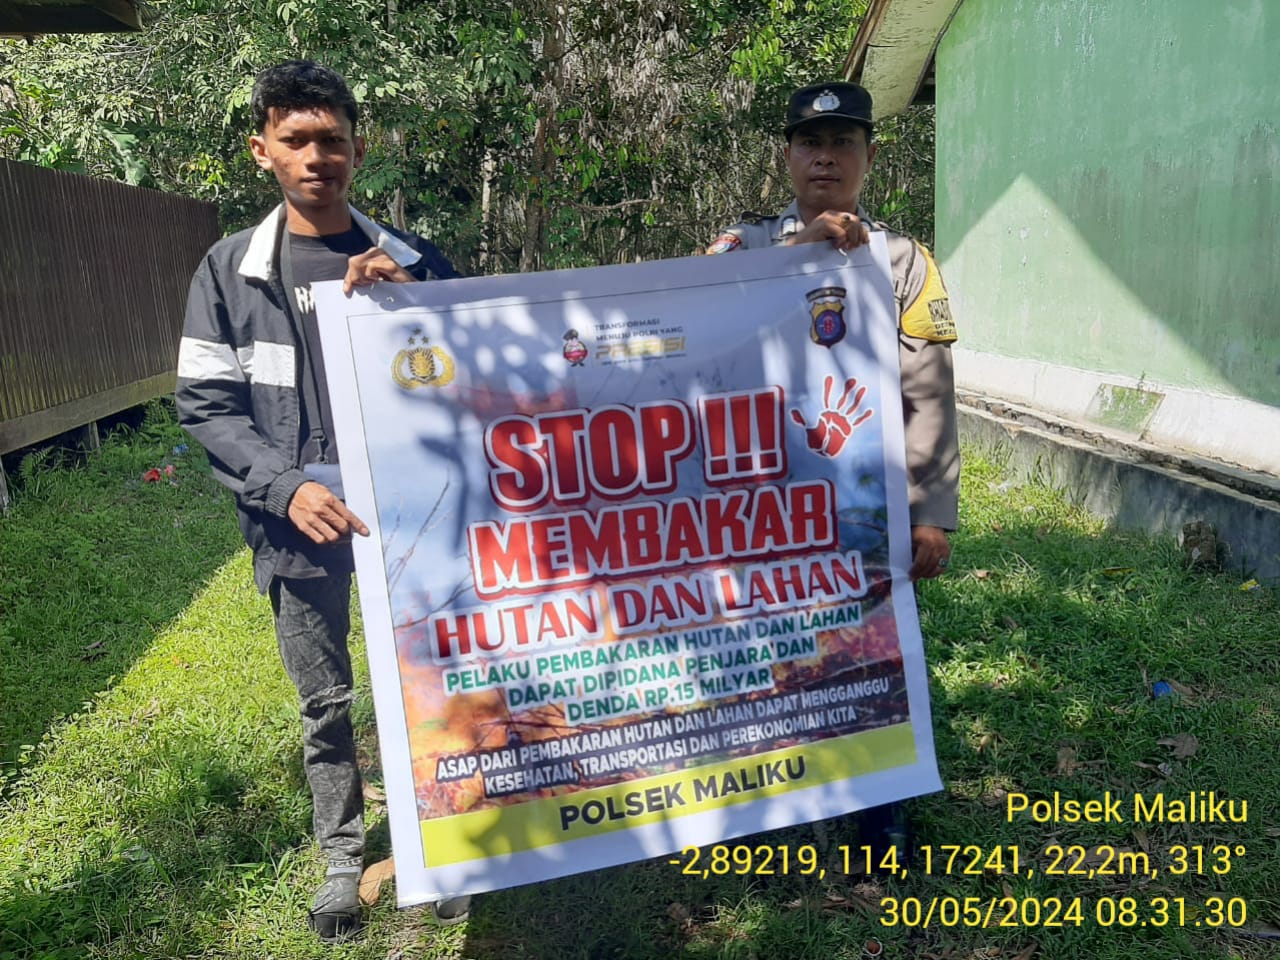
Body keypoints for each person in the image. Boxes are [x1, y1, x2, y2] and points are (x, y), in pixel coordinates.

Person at [175, 60, 468, 941]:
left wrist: (419, 308)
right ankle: (343, 858)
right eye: (295, 139)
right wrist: (287, 486)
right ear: (261, 148)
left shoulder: (414, 260)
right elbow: (206, 405)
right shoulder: (229, 272)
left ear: (358, 149)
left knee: (430, 685)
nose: (316, 157)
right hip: (295, 526)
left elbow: (477, 378)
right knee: (325, 701)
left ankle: (443, 841)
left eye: (331, 140)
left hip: (414, 518)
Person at [705, 81, 959, 859]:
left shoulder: (904, 261)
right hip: (758, 506)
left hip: (861, 509)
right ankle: (767, 814)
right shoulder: (741, 249)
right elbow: (700, 339)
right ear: (787, 156)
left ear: (869, 156)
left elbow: (927, 389)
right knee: (765, 652)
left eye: (843, 143)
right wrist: (797, 259)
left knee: (869, 651)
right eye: (811, 143)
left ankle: (881, 813)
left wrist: (931, 511)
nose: (826, 157)